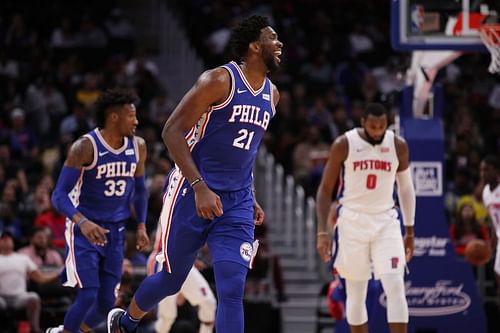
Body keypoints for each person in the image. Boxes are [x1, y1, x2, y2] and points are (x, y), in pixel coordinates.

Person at [107, 15, 282, 333]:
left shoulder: (272, 95)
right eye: (272, 38)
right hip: (192, 189)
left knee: (231, 289)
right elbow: (171, 132)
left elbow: (246, 152)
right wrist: (200, 186)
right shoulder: (218, 80)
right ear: (255, 46)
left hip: (236, 201)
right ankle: (126, 322)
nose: (279, 43)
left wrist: (251, 196)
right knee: (171, 280)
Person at [46, 88, 150, 333]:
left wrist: (143, 225)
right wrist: (82, 222)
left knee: (105, 302)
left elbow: (141, 191)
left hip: (116, 230)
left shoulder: (139, 147)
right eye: (131, 116)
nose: (136, 121)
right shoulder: (84, 146)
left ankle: (66, 331)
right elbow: (59, 195)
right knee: (88, 293)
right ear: (114, 117)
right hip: (85, 228)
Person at [316, 103, 416, 333]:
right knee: (356, 291)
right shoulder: (344, 144)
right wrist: (322, 231)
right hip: (352, 220)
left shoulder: (398, 145)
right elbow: (325, 189)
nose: (378, 130)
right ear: (363, 122)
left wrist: (409, 231)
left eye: (382, 125)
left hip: (386, 221)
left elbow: (406, 189)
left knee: (395, 284)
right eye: (373, 126)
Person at [146, 225, 216, 333]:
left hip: (185, 262)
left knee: (209, 303)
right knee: (167, 316)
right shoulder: (173, 209)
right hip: (164, 259)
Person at [0, 231, 60, 333]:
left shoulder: (22, 258)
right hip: (1, 297)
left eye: (9, 238)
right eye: (3, 239)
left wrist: (59, 275)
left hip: (19, 297)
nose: (7, 241)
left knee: (33, 297)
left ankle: (35, 329)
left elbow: (40, 278)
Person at [480, 155, 500, 307]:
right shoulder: (486, 192)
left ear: (496, 171)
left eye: (486, 170)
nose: (482, 173)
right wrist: (492, 247)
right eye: (481, 170)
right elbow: (495, 222)